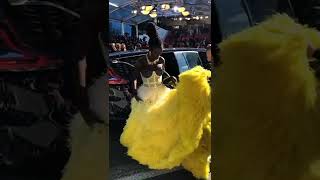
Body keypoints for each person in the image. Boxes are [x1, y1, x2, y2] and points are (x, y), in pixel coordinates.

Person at [120, 22, 211, 179]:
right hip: (147, 92)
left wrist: (173, 80)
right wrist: (134, 91)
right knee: (148, 123)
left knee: (167, 122)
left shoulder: (161, 59)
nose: (158, 54)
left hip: (161, 90)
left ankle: (166, 149)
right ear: (150, 50)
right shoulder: (142, 61)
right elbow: (134, 78)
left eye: (160, 51)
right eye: (156, 52)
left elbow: (165, 75)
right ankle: (149, 150)